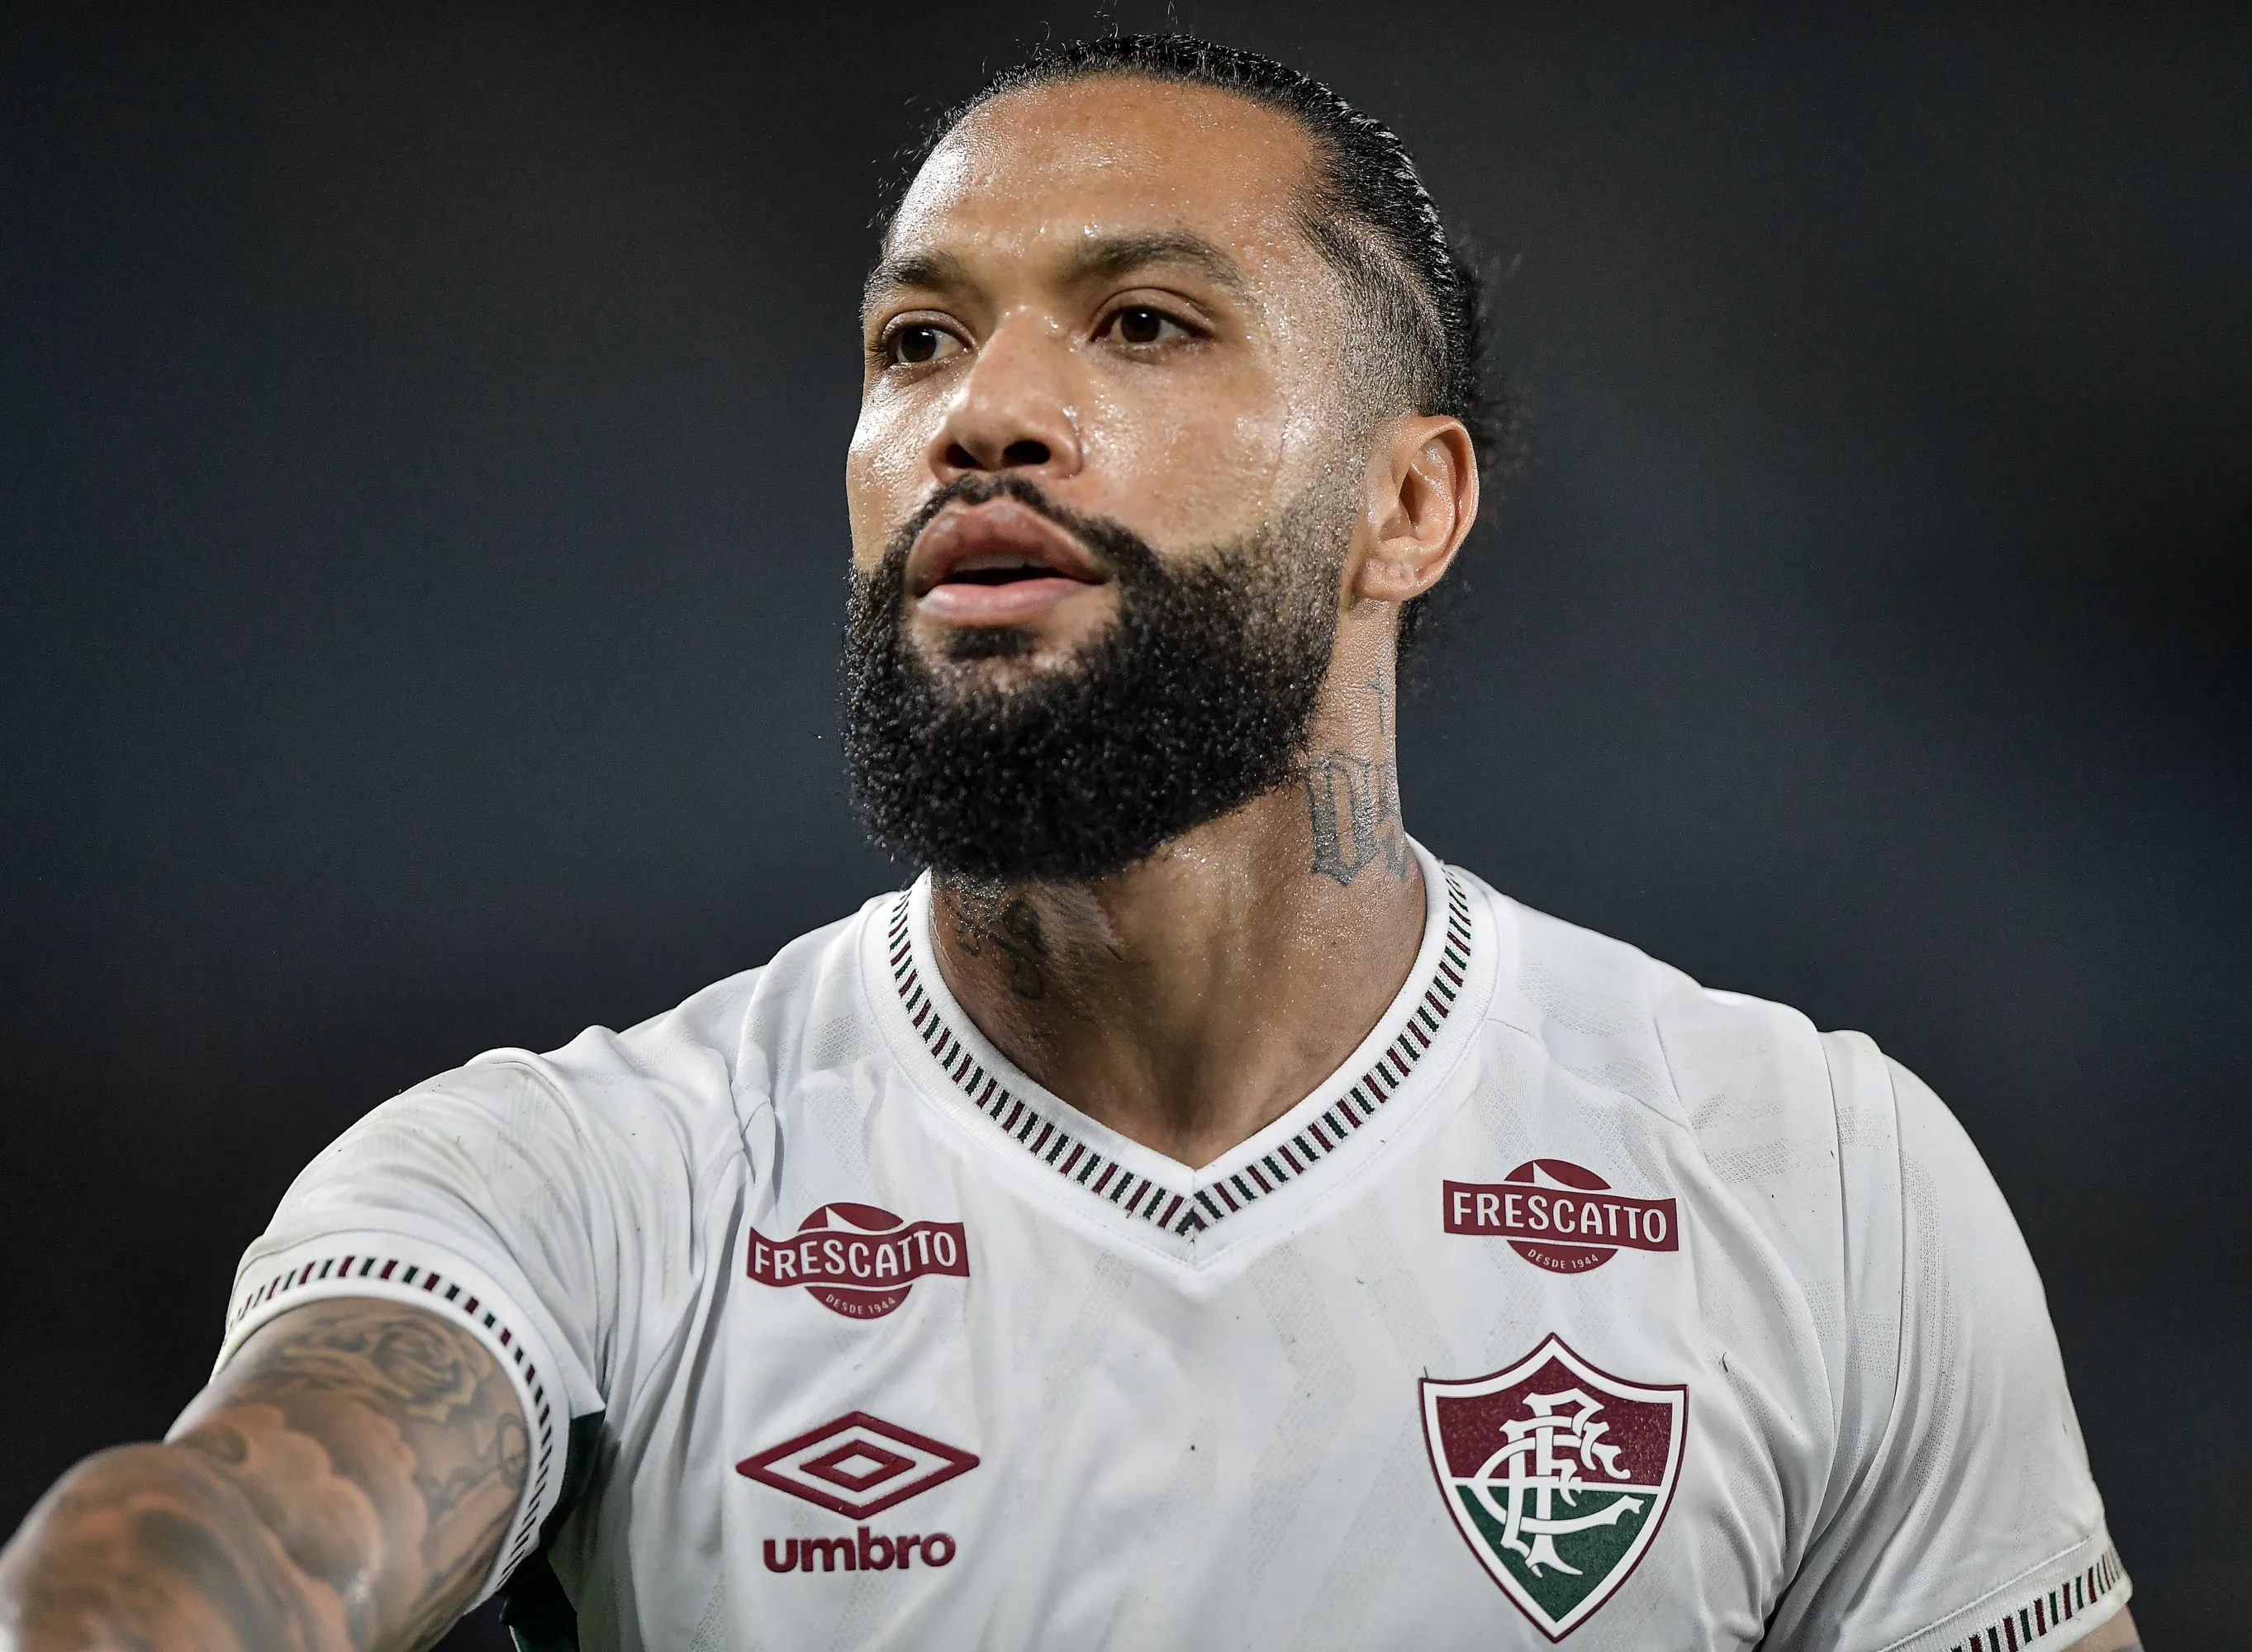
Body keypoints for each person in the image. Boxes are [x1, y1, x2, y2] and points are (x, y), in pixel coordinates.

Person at [0, 34, 2139, 1652]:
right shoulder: (594, 1179)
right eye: (917, 340)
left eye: (1143, 323)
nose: (980, 411)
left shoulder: (1815, 1187)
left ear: (1410, 506)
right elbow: (252, 1522)